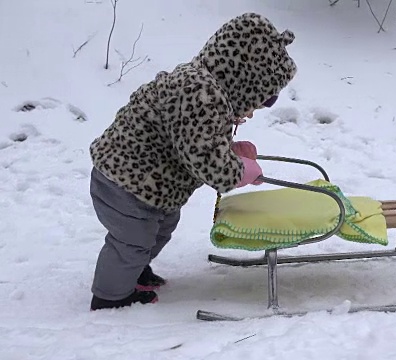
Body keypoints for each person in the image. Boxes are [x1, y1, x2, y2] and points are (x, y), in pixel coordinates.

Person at [87, 12, 297, 310]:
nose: (250, 112)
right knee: (133, 240)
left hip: (148, 185)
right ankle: (110, 297)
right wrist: (239, 170)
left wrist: (233, 149)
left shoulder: (206, 88)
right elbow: (205, 158)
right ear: (243, 80)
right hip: (124, 182)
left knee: (161, 228)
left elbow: (194, 139)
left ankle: (132, 270)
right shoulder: (200, 93)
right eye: (255, 101)